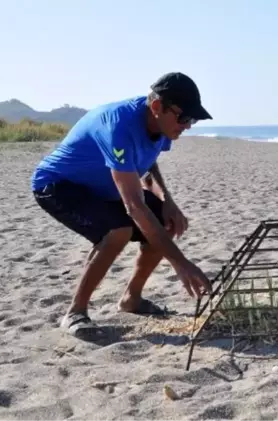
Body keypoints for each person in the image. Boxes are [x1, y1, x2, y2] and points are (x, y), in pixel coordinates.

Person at [31, 72, 213, 338]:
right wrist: (181, 262)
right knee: (117, 230)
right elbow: (135, 208)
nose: (187, 126)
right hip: (57, 185)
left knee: (164, 221)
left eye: (193, 119)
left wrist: (167, 200)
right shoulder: (118, 126)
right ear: (156, 107)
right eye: (184, 117)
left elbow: (148, 162)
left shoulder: (162, 126)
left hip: (104, 185)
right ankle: (75, 312)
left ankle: (132, 299)